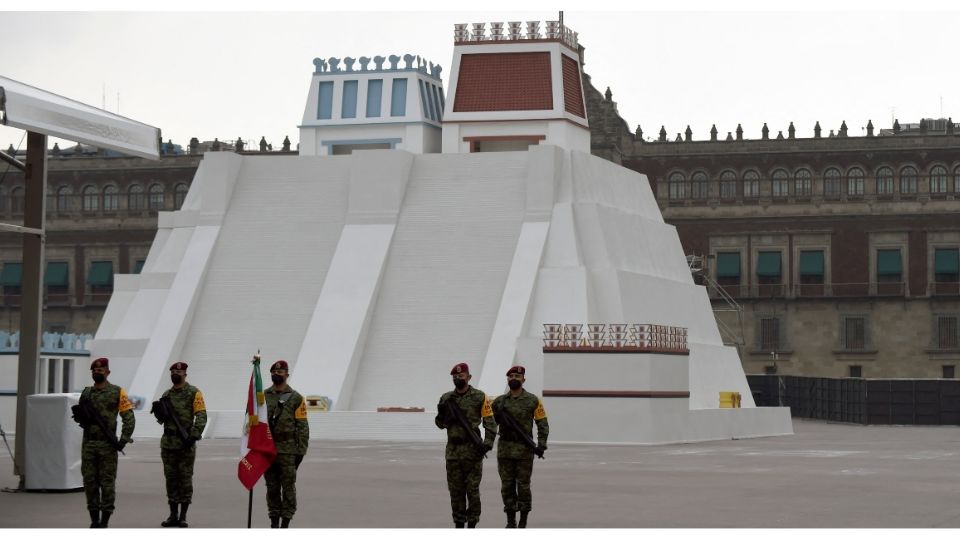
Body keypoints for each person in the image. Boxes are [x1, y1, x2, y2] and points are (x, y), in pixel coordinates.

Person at [75, 357, 135, 528]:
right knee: (90, 482)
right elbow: (81, 418)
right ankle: (94, 519)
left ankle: (105, 520)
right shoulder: (86, 393)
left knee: (107, 483)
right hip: (89, 445)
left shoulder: (117, 392)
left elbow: (128, 417)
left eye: (100, 370)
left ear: (107, 372)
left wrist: (123, 439)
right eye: (94, 370)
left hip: (107, 446)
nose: (97, 372)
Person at [434, 362, 497, 528]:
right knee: (456, 492)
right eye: (455, 377)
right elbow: (440, 425)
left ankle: (472, 523)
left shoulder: (479, 396)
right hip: (453, 452)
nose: (457, 379)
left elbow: (490, 422)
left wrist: (488, 443)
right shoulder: (446, 398)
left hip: (473, 451)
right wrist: (441, 415)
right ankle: (459, 523)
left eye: (461, 376)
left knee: (472, 491)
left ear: (468, 377)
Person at [492, 365, 549, 528]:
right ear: (507, 380)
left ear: (523, 379)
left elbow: (542, 423)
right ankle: (511, 521)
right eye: (511, 377)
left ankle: (523, 520)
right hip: (505, 450)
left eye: (517, 376)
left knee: (523, 486)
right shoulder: (499, 402)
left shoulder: (533, 400)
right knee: (507, 486)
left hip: (525, 450)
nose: (514, 379)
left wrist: (542, 444)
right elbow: (489, 422)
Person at [153, 361, 207, 528]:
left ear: (185, 374)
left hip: (185, 444)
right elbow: (162, 420)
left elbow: (201, 415)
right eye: (173, 372)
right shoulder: (166, 395)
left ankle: (183, 516)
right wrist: (158, 412)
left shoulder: (194, 393)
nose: (176, 374)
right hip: (168, 444)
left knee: (185, 479)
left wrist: (194, 435)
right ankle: (172, 514)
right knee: (171, 479)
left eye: (179, 371)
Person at [263, 360, 309, 528]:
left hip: (288, 451)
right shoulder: (263, 396)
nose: (277, 374)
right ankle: (274, 522)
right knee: (272, 487)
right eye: (275, 372)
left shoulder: (296, 398)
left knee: (288, 488)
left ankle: (285, 524)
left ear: (287, 375)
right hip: (267, 450)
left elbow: (303, 426)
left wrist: (301, 452)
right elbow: (255, 421)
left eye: (281, 372)